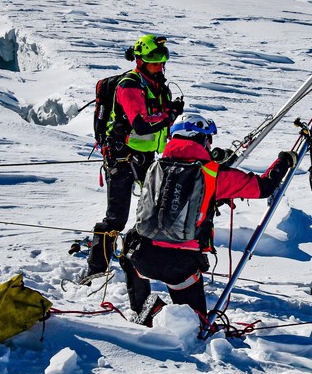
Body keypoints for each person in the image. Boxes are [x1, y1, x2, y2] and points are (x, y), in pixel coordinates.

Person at [120, 112, 298, 326]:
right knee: (195, 326)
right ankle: (178, 324)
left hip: (142, 256)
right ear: (200, 138)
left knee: (133, 255)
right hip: (180, 264)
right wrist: (284, 161)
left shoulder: (156, 167)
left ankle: (146, 311)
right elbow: (264, 187)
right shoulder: (213, 174)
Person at [81, 34, 184, 284]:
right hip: (121, 158)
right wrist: (169, 115)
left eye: (161, 62)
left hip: (146, 157)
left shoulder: (158, 86)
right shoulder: (129, 86)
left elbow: (158, 124)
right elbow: (141, 124)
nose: (159, 66)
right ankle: (96, 268)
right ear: (140, 61)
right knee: (116, 216)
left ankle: (140, 260)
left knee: (152, 213)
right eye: (153, 62)